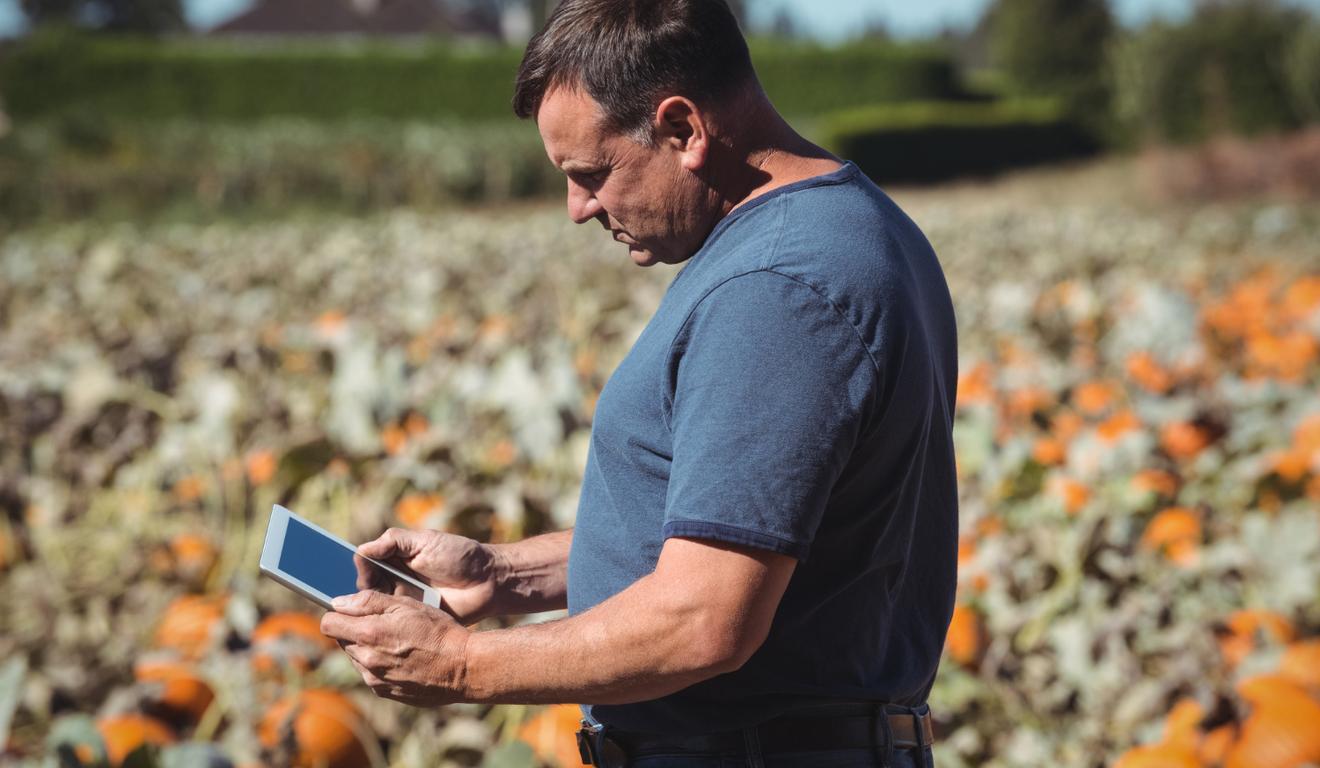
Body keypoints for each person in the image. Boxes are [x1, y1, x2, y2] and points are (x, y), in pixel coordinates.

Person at [319, 1, 959, 766]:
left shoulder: (780, 287)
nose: (578, 209)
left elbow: (703, 616)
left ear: (683, 130)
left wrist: (461, 665)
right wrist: (503, 576)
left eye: (592, 174)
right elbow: (742, 532)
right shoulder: (848, 227)